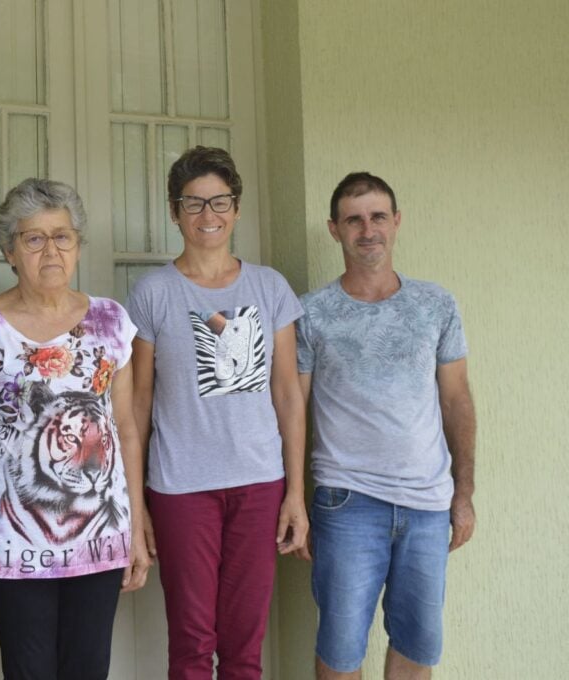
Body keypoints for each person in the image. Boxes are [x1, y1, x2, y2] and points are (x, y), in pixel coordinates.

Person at [126, 146, 308, 679]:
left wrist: (295, 492)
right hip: (181, 488)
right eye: (194, 204)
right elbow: (137, 405)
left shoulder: (270, 287)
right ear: (174, 211)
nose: (209, 217)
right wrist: (137, 504)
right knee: (190, 642)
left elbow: (288, 396)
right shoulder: (154, 292)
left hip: (259, 484)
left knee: (244, 645)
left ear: (237, 208)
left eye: (220, 202)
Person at [0, 178, 151, 680]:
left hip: (98, 538)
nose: (51, 250)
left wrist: (135, 527)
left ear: (78, 246)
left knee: (89, 670)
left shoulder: (112, 321)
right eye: (34, 238)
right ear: (10, 250)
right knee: (28, 672)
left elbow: (126, 428)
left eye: (63, 236)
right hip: (10, 542)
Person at [296, 172, 477, 680]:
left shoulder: (436, 305)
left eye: (378, 217)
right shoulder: (311, 314)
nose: (367, 230)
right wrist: (293, 499)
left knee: (419, 646)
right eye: (354, 219)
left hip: (426, 504)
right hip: (346, 501)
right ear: (334, 229)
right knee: (340, 649)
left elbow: (457, 400)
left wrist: (462, 495)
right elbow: (291, 410)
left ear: (396, 222)